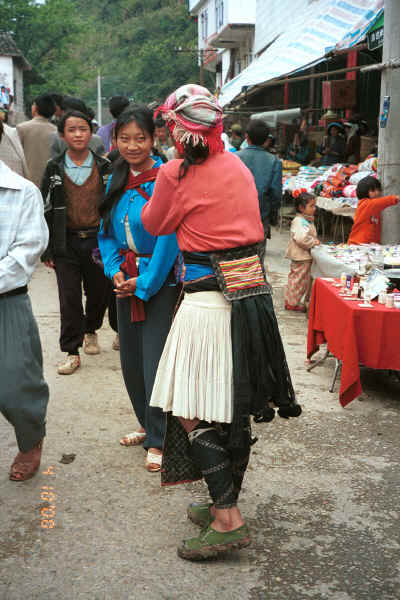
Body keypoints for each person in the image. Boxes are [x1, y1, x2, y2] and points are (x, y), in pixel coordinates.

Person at [141, 84, 301, 561]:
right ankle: (221, 501)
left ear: (174, 129)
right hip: (252, 296)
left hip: (207, 298)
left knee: (190, 406)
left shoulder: (175, 173)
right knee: (233, 404)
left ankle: (227, 517)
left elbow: (154, 225)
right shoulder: (236, 164)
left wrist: (161, 183)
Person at [98, 105, 179, 473]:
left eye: (140, 138)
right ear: (114, 140)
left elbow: (169, 237)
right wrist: (115, 270)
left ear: (154, 138)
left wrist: (144, 283)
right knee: (130, 360)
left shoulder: (166, 179)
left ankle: (161, 438)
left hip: (158, 282)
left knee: (155, 360)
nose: (132, 146)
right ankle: (147, 424)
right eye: (124, 139)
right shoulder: (113, 178)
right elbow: (106, 234)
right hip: (124, 281)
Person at [41, 110, 113, 375]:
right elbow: (45, 208)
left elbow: (114, 207)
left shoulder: (105, 167)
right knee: (68, 298)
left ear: (91, 131)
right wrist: (47, 248)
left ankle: (91, 329)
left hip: (97, 241)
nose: (78, 134)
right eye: (72, 130)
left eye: (83, 129)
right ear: (63, 135)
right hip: (66, 243)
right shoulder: (54, 168)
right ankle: (71, 351)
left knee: (98, 293)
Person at [0, 120, 50, 482]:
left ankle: (31, 438)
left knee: (16, 385)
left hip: (7, 300)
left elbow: (24, 256)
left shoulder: (22, 193)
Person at [237, 119, 282, 239]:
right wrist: (272, 215)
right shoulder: (274, 161)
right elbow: (276, 194)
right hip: (260, 217)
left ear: (246, 137)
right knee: (257, 255)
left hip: (235, 216)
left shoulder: (234, 158)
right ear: (267, 139)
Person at [284, 191, 320, 312]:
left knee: (300, 280)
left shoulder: (306, 220)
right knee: (298, 281)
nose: (314, 208)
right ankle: (292, 302)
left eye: (314, 206)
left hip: (303, 255)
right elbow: (301, 238)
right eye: (311, 206)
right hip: (301, 256)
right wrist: (314, 242)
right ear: (301, 207)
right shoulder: (300, 221)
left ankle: (294, 301)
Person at [16, 93, 57, 188]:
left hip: (25, 183)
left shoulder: (21, 128)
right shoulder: (57, 132)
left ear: (35, 108)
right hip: (50, 183)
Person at [347, 176, 400, 245]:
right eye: (373, 190)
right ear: (364, 192)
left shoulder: (372, 206)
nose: (377, 192)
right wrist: (396, 198)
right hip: (357, 243)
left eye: (378, 190)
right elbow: (383, 201)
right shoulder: (365, 204)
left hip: (368, 245)